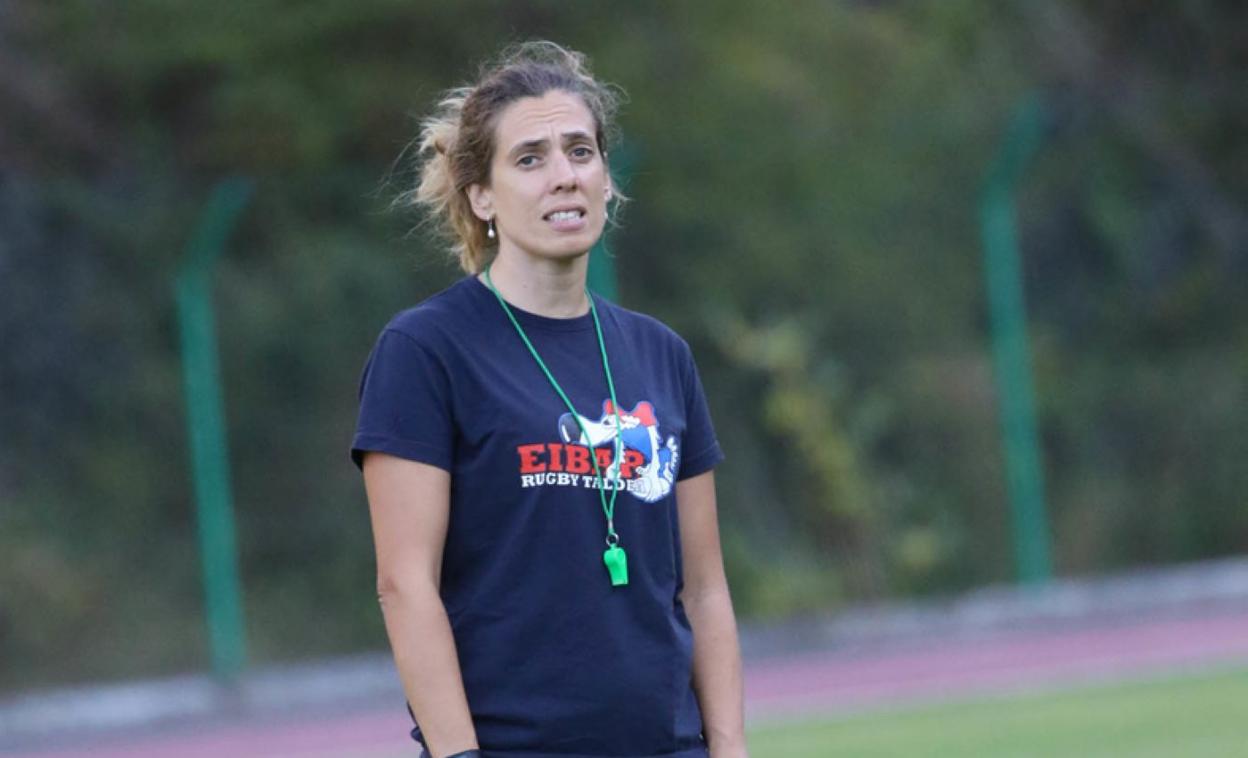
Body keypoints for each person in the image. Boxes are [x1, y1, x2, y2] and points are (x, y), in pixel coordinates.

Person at [352, 41, 746, 758]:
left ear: (606, 179)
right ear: (481, 195)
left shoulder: (662, 354)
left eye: (580, 151)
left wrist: (729, 747)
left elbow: (705, 590)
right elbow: (405, 586)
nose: (564, 175)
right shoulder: (426, 351)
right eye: (530, 159)